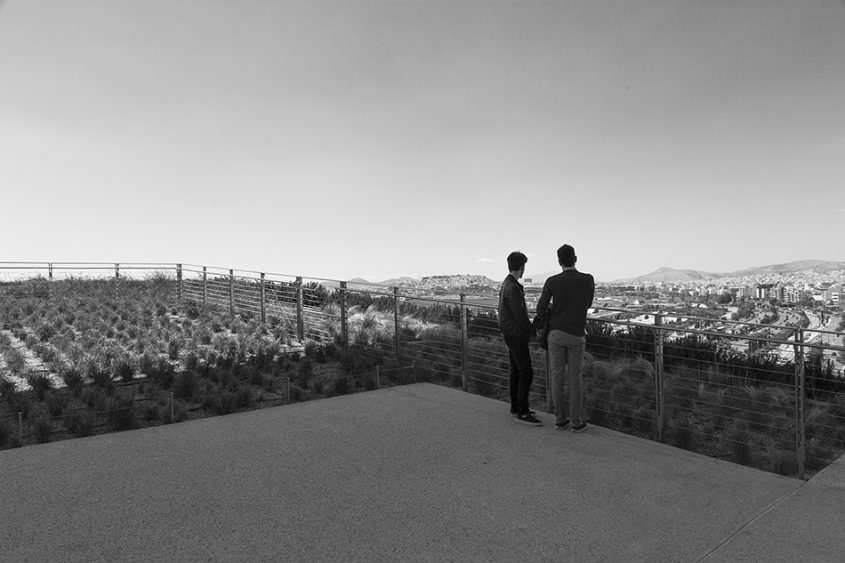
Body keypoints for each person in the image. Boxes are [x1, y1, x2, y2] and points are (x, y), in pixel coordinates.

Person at [534, 244, 594, 433]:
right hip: (576, 334)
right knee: (575, 379)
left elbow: (541, 308)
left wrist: (552, 310)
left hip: (556, 334)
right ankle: (576, 421)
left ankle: (560, 419)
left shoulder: (552, 281)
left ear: (559, 262)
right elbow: (588, 303)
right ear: (575, 259)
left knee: (557, 376)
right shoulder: (588, 280)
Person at [498, 251, 542, 425]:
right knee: (526, 371)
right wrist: (531, 329)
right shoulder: (513, 287)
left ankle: (516, 406)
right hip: (516, 334)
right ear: (521, 267)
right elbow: (519, 315)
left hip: (509, 332)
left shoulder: (506, 284)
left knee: (516, 370)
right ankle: (522, 411)